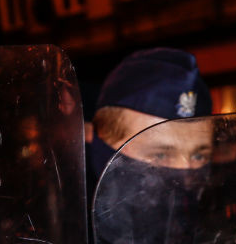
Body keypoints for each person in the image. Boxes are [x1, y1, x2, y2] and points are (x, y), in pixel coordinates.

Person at [86, 47, 213, 200]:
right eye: (160, 155)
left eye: (198, 156)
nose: (185, 179)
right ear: (100, 141)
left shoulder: (207, 218)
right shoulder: (65, 218)